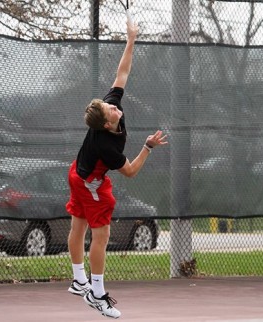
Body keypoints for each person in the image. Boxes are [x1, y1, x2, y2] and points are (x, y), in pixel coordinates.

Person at [65, 19, 168, 319]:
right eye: (111, 110)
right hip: (90, 182)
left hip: (77, 172)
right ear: (107, 123)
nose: (114, 106)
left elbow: (122, 72)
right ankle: (96, 294)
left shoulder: (110, 106)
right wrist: (148, 146)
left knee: (77, 226)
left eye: (110, 105)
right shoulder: (106, 148)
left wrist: (131, 39)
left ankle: (78, 280)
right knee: (101, 235)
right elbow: (132, 171)